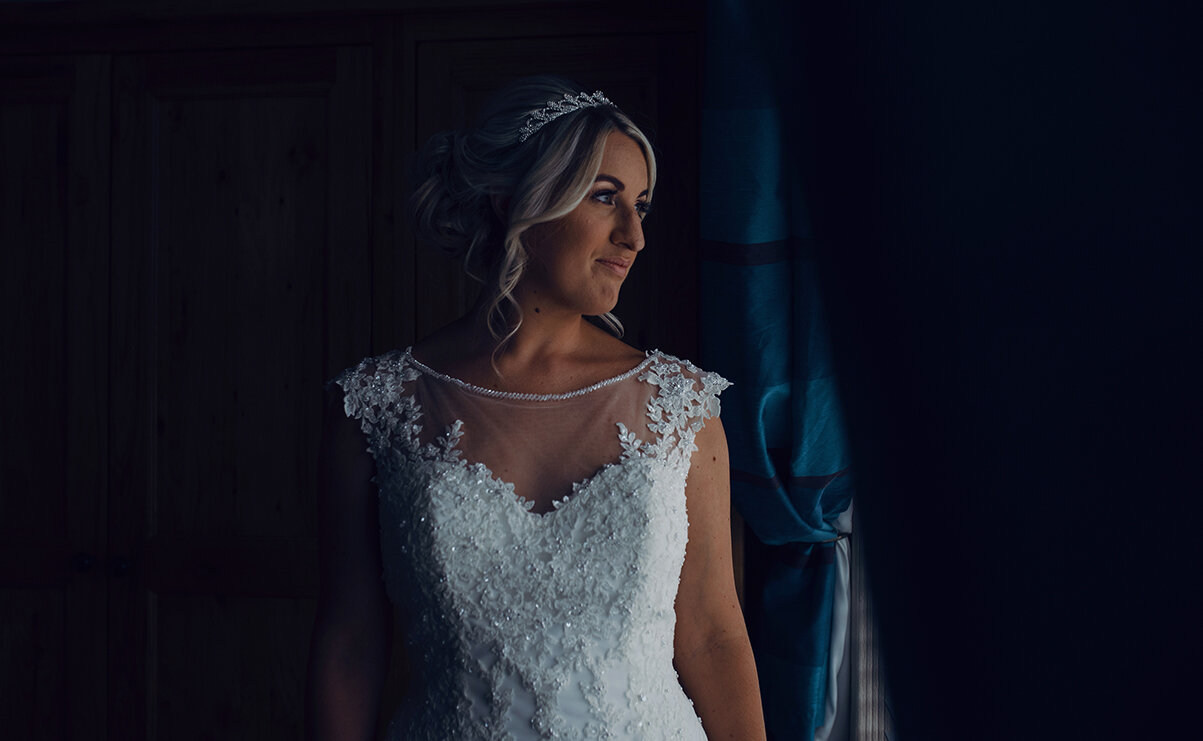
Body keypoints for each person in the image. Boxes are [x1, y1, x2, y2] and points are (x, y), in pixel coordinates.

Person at [306, 75, 766, 740]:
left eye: (641, 205)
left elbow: (713, 635)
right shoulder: (375, 407)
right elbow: (350, 640)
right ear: (510, 198)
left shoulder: (682, 407)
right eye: (604, 197)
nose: (633, 234)